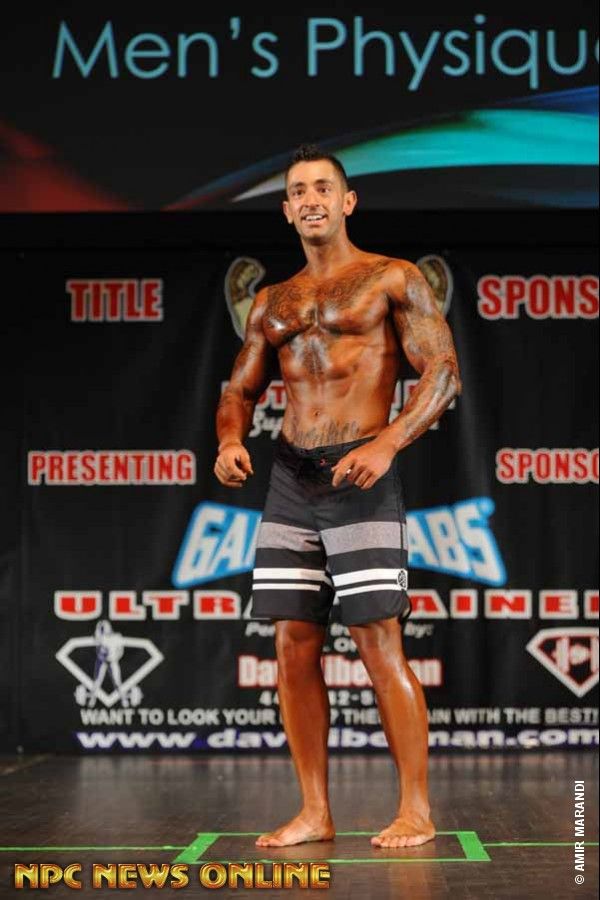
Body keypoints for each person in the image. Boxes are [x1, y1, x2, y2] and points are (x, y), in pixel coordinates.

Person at [214, 144, 461, 849]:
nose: (312, 199)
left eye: (324, 187)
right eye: (299, 191)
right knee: (292, 642)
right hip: (291, 479)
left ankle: (415, 809)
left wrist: (387, 443)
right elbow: (240, 389)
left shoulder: (392, 278)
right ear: (287, 210)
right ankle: (314, 811)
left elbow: (443, 372)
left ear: (348, 201)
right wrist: (229, 439)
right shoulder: (272, 302)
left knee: (378, 640)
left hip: (360, 475)